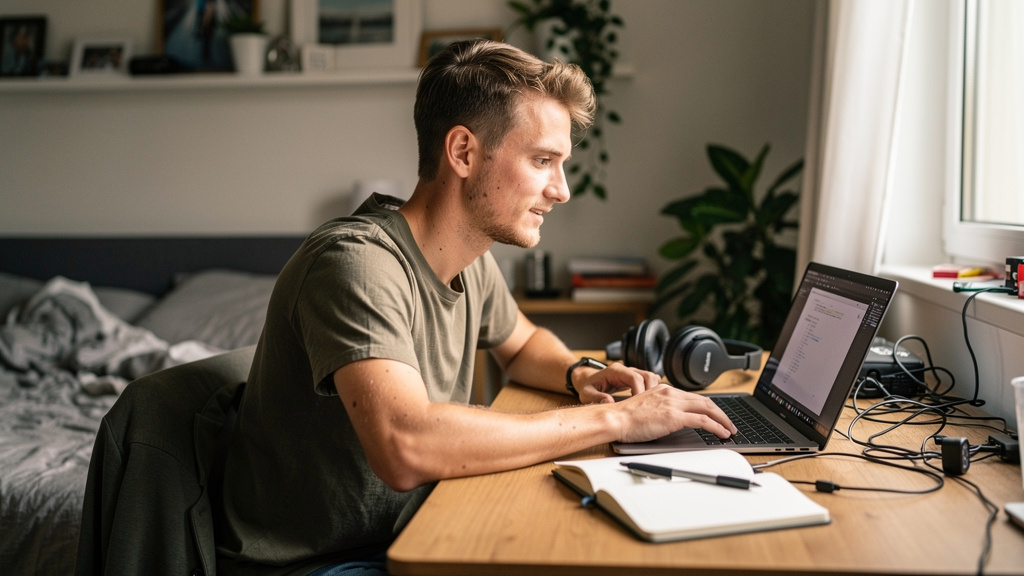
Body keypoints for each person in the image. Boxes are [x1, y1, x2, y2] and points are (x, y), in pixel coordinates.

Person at [217, 39, 737, 575]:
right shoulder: (355, 264)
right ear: (463, 152)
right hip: (320, 564)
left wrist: (579, 373)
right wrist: (615, 419)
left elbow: (525, 343)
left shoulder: (468, 258)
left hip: (412, 531)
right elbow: (406, 446)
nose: (561, 190)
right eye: (542, 161)